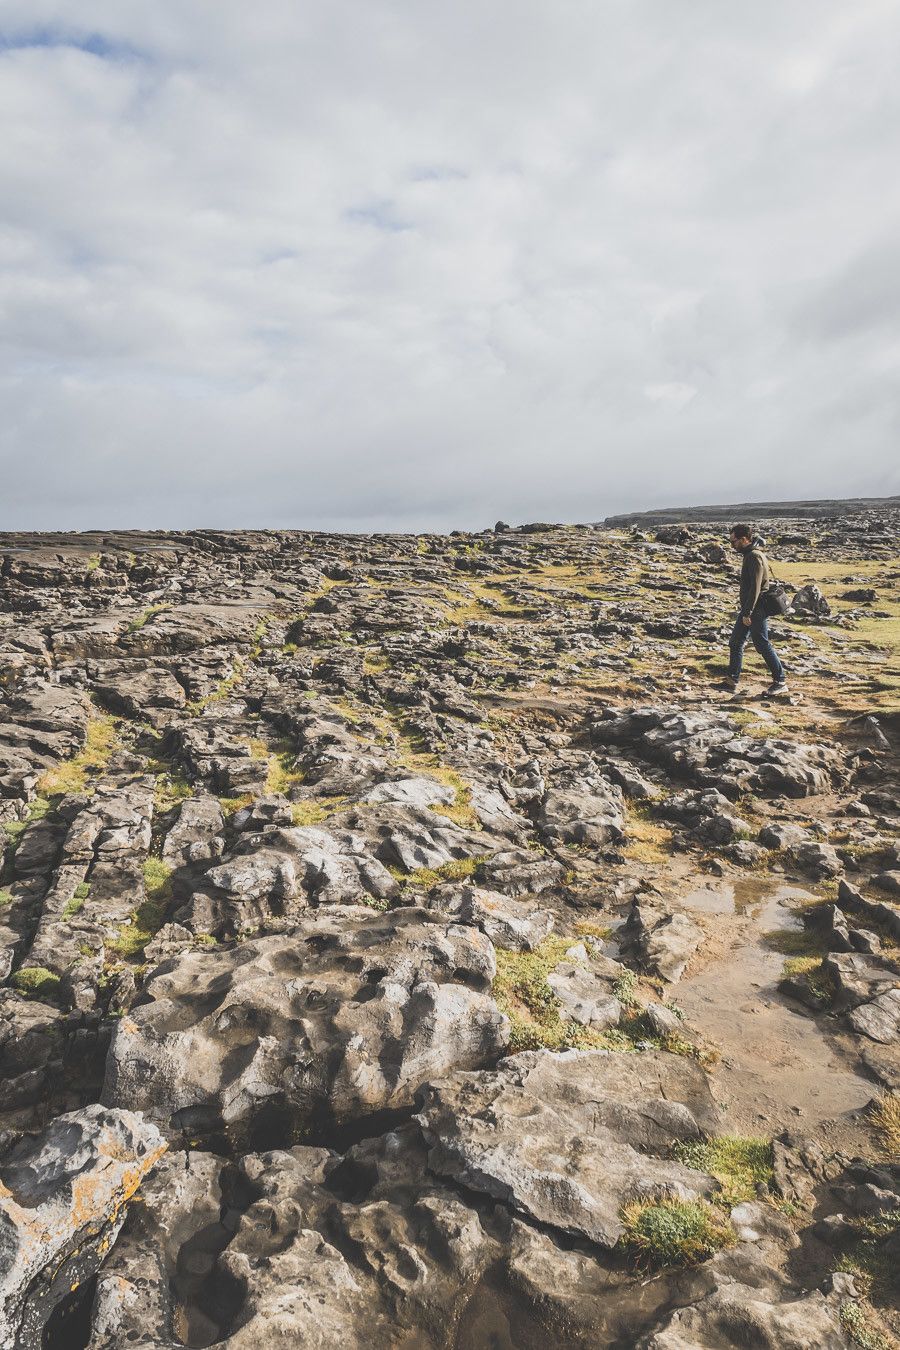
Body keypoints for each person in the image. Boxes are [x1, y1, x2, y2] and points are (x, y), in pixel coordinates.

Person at [723, 523, 787, 696]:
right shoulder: (750, 554)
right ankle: (731, 681)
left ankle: (780, 680)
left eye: (733, 541)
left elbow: (756, 588)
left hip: (755, 609)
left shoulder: (753, 556)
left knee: (762, 644)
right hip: (749, 608)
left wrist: (747, 612)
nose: (732, 546)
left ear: (744, 539)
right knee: (735, 642)